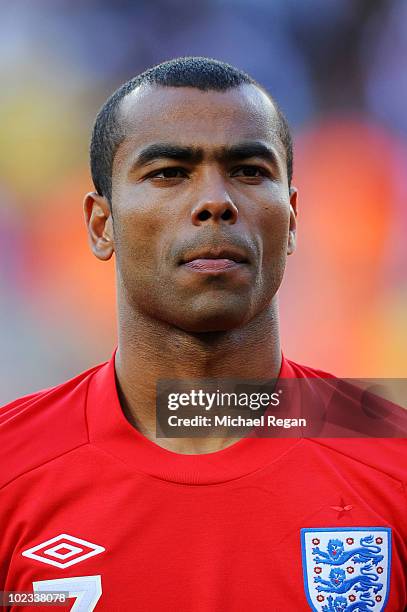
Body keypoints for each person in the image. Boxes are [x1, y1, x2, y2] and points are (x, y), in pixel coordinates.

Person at [0, 57, 405, 611]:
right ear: (102, 224)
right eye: (169, 172)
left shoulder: (391, 451)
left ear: (291, 220)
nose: (217, 202)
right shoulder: (12, 463)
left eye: (249, 171)